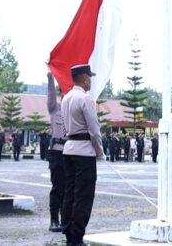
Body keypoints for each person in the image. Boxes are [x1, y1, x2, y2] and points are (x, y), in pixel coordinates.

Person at [61, 64, 105, 246]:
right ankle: (77, 237)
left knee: (69, 193)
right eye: (90, 78)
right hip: (84, 151)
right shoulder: (85, 99)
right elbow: (94, 129)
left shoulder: (66, 98)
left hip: (69, 147)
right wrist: (100, 152)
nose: (91, 81)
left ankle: (68, 233)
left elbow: (63, 126)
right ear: (85, 78)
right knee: (83, 196)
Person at [47, 71, 67, 233]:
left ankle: (66, 219)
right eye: (64, 92)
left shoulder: (74, 109)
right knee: (57, 187)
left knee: (69, 189)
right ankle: (54, 220)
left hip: (71, 153)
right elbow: (51, 97)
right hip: (57, 153)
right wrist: (50, 77)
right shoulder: (55, 109)